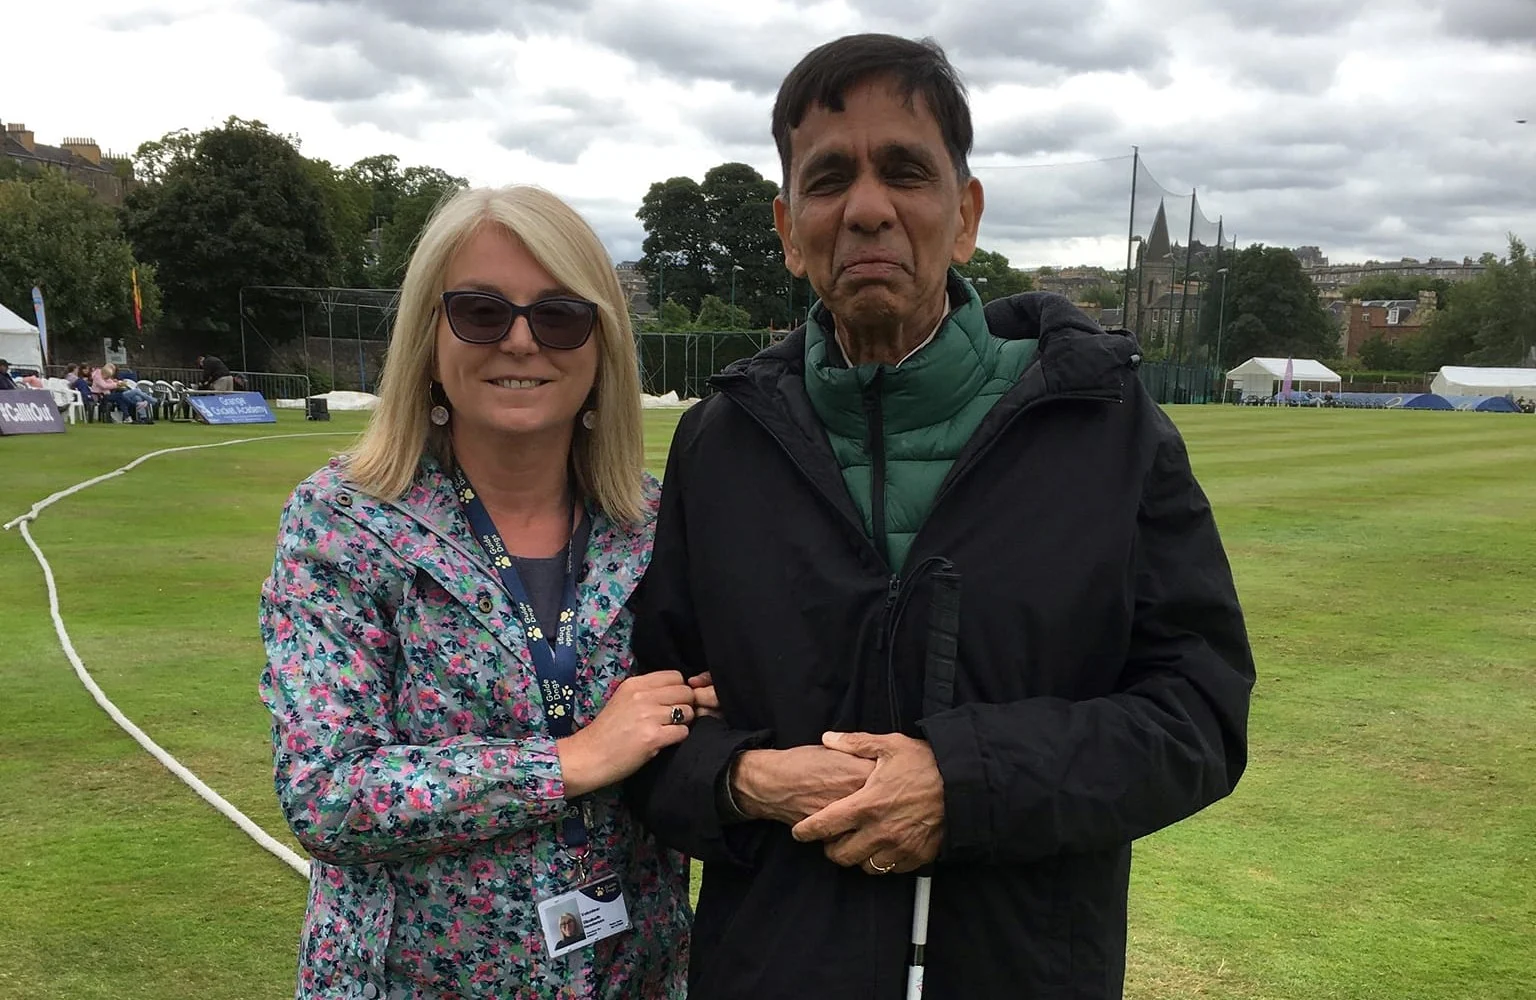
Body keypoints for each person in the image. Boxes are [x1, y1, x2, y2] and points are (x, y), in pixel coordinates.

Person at [627, 33, 1255, 1000]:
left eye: (906, 171)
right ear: (790, 229)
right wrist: (743, 779)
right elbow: (654, 723)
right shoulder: (720, 444)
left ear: (963, 215)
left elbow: (1199, 717)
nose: (868, 207)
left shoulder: (1106, 427)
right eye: (830, 178)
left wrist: (967, 784)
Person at [259, 185, 700, 999]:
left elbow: (703, 723)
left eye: (560, 315)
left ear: (602, 344)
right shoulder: (343, 522)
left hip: (632, 973)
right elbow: (325, 793)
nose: (523, 342)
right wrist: (567, 762)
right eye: (481, 311)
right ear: (428, 334)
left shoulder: (655, 526)